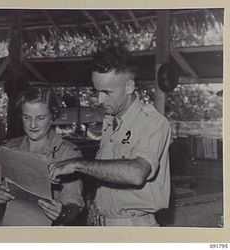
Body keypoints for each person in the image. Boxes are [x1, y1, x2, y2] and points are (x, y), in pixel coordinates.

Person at [49, 47, 171, 226]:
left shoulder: (153, 122)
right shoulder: (109, 122)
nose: (99, 100)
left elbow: (137, 173)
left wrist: (77, 164)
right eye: (97, 91)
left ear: (129, 87)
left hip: (133, 229)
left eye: (107, 92)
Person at [0, 86, 84, 226]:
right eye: (27, 117)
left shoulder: (68, 153)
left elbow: (74, 208)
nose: (32, 124)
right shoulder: (8, 149)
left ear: (53, 116)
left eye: (40, 118)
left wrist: (61, 213)